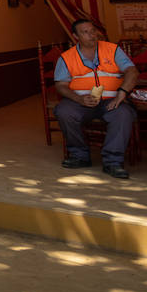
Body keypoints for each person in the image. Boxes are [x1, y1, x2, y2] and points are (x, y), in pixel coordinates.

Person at [54, 18, 140, 179]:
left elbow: (132, 71)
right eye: (85, 32)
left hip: (112, 100)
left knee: (123, 114)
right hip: (81, 102)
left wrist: (122, 93)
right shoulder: (66, 57)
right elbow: (61, 85)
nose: (91, 35)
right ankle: (79, 156)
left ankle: (112, 162)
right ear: (75, 36)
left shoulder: (112, 50)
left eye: (93, 31)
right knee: (63, 111)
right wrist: (79, 99)